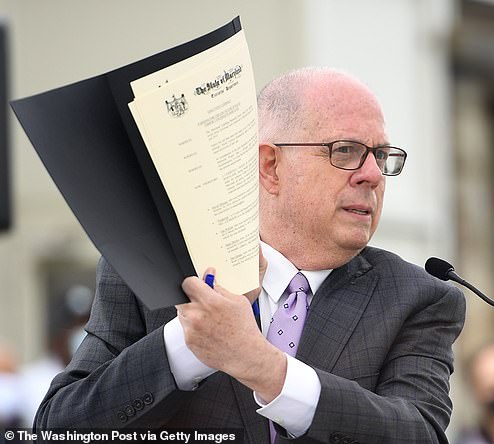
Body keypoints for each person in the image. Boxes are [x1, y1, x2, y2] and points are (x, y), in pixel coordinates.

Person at [34, 67, 466, 443]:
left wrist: (267, 369)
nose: (372, 175)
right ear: (270, 167)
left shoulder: (418, 298)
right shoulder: (153, 269)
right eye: (346, 151)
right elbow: (57, 428)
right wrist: (189, 344)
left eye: (381, 155)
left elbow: (420, 433)